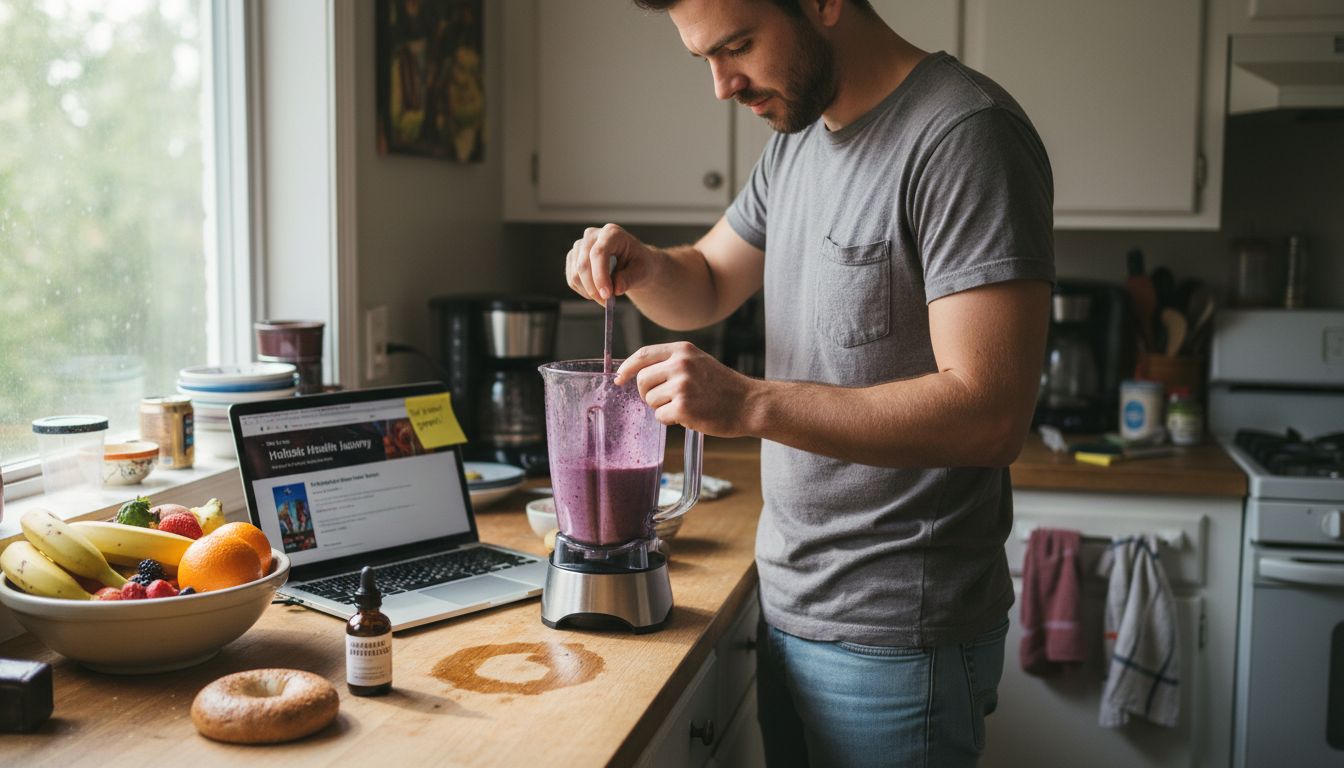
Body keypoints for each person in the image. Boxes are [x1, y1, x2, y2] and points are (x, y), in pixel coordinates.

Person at [565, 0, 1054, 765]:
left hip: (898, 639)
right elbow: (708, 282)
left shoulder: (964, 136)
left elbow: (989, 415)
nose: (723, 86)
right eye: (705, 60)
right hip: (790, 604)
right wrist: (646, 266)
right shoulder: (799, 138)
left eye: (738, 47)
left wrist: (748, 401)